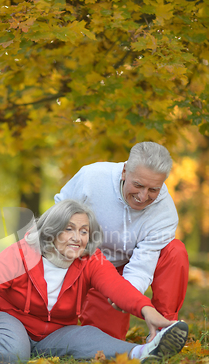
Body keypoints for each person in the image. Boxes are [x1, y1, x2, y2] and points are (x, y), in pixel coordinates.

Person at [0, 199, 188, 364]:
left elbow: (118, 288)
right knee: (13, 352)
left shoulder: (90, 260)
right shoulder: (19, 256)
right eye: (70, 229)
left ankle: (144, 352)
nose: (78, 237)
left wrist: (148, 311)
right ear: (51, 231)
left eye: (84, 231)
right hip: (7, 318)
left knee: (89, 338)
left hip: (56, 330)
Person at [54, 142, 189, 340]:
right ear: (125, 171)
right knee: (91, 338)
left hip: (122, 271)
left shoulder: (164, 214)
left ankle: (164, 329)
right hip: (84, 260)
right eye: (138, 185)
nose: (143, 197)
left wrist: (126, 295)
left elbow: (142, 266)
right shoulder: (91, 178)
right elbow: (57, 217)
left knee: (175, 250)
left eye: (153, 189)